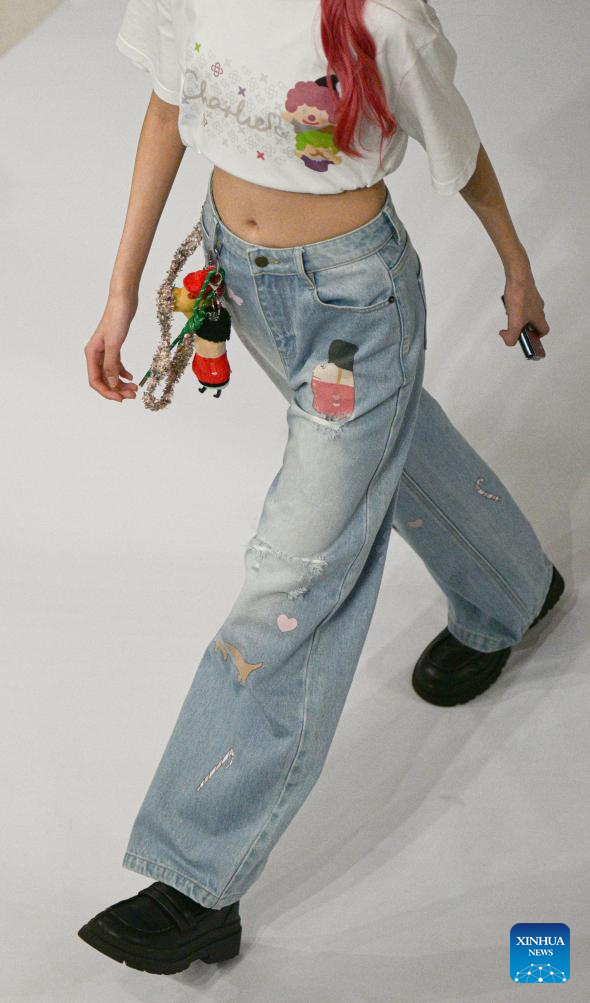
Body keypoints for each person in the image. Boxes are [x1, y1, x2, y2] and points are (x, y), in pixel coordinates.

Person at [78, 0, 564, 975]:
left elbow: (459, 152)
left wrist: (517, 266)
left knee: (289, 580)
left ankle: (196, 879)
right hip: (239, 277)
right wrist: (123, 290)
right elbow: (167, 109)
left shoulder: (381, 17)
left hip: (353, 305)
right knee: (394, 448)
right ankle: (513, 587)